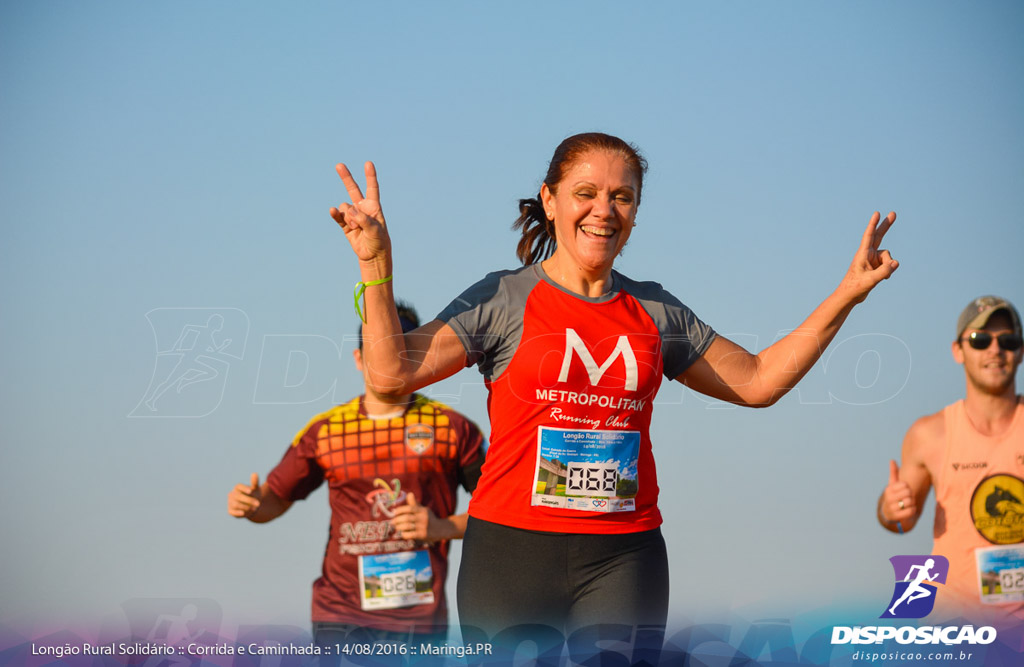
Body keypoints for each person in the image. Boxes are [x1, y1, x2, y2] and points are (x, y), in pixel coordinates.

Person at [330, 132, 898, 651]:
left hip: (625, 556)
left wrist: (848, 293)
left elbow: (757, 381)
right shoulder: (502, 297)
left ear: (635, 213)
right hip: (510, 553)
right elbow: (390, 373)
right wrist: (376, 261)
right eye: (585, 192)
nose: (603, 210)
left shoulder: (654, 310)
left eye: (621, 197)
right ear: (550, 201)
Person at [227, 301, 486, 648]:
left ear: (419, 357)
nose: (387, 362)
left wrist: (441, 528)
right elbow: (273, 502)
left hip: (419, 622)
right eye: (378, 351)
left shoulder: (453, 429)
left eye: (400, 350)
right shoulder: (327, 431)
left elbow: (500, 516)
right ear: (359, 359)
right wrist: (252, 505)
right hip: (340, 615)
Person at [878, 296, 1024, 627]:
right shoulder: (930, 434)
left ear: (1021, 350)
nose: (995, 350)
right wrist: (890, 511)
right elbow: (901, 523)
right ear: (957, 350)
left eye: (1008, 340)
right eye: (980, 340)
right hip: (956, 629)